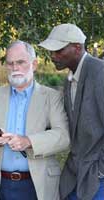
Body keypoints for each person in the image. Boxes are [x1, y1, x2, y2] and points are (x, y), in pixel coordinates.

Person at [0, 40, 70, 200]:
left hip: (36, 186)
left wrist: (28, 141)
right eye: (10, 63)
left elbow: (63, 136)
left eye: (20, 62)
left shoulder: (52, 97)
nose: (15, 68)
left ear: (35, 64)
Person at [39, 23, 104, 200]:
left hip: (97, 177)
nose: (53, 56)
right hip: (74, 174)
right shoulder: (70, 80)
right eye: (51, 51)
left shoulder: (100, 72)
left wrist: (100, 170)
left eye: (58, 50)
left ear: (77, 48)